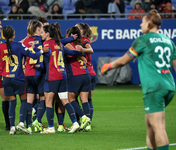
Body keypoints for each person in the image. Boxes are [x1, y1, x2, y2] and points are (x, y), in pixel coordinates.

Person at [101, 9, 176, 150]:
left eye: (142, 22)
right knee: (150, 125)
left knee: (158, 127)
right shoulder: (168, 41)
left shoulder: (143, 40)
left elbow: (123, 61)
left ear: (149, 22)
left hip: (154, 88)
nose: (140, 26)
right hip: (169, 86)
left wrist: (108, 66)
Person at [0, 25, 44, 135]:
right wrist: (41, 51)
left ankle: (12, 127)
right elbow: (33, 56)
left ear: (3, 35)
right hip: (18, 78)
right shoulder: (19, 46)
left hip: (6, 79)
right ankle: (22, 124)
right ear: (13, 34)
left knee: (12, 103)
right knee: (24, 101)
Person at [40, 25, 83, 134]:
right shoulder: (59, 45)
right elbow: (72, 53)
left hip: (53, 76)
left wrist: (40, 52)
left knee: (48, 101)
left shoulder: (47, 43)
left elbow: (47, 51)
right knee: (64, 100)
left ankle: (50, 127)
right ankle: (75, 123)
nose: (41, 35)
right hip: (63, 75)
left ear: (47, 34)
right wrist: (80, 52)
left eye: (42, 33)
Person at [23, 20, 48, 133]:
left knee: (29, 100)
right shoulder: (42, 40)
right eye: (41, 28)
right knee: (43, 98)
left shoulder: (25, 41)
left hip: (28, 73)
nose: (43, 30)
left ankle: (27, 125)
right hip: (39, 73)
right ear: (38, 29)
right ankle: (37, 120)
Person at [76, 23, 96, 131]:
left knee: (84, 99)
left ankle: (86, 122)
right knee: (87, 99)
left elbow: (91, 50)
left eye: (77, 28)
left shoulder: (84, 40)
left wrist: (82, 50)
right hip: (89, 72)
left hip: (86, 72)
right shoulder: (81, 40)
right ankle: (86, 122)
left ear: (82, 31)